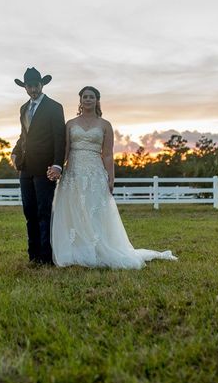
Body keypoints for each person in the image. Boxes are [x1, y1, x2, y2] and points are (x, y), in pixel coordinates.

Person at [49, 86, 177, 269]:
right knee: (74, 211)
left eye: (91, 97)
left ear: (97, 100)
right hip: (73, 173)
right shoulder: (70, 124)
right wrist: (59, 169)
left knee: (94, 212)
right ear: (80, 100)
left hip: (95, 172)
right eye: (84, 97)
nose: (87, 100)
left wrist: (111, 178)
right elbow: (66, 151)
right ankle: (77, 251)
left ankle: (97, 250)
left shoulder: (105, 125)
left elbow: (108, 154)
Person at [11, 67, 66, 265]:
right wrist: (15, 152)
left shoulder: (54, 107)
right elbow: (24, 135)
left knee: (44, 212)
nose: (33, 90)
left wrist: (58, 165)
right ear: (25, 87)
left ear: (42, 85)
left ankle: (46, 256)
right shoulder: (23, 108)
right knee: (29, 211)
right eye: (29, 86)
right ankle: (33, 255)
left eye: (36, 86)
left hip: (45, 167)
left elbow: (60, 138)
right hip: (25, 167)